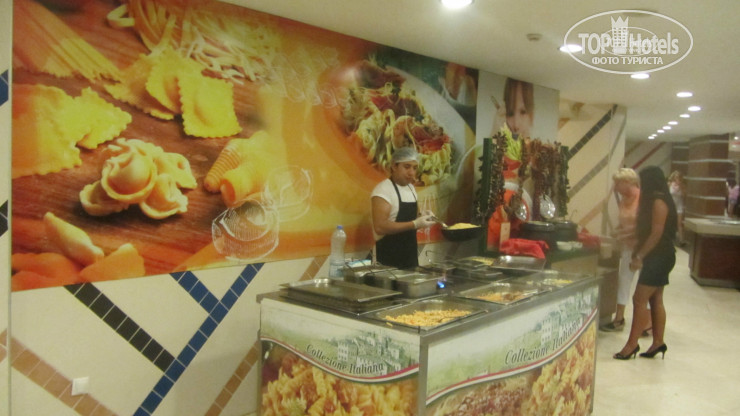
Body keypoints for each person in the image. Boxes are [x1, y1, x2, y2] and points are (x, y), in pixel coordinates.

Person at [614, 166, 677, 360]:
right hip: (662, 255)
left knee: (639, 299)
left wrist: (640, 256)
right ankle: (658, 342)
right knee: (655, 299)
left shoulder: (658, 202)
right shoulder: (662, 199)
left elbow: (656, 233)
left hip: (659, 256)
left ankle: (631, 344)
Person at [371, 147, 435, 268]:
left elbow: (411, 219)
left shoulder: (411, 189)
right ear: (394, 166)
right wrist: (415, 224)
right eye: (407, 167)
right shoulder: (383, 190)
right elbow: (380, 227)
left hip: (410, 259)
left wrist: (423, 217)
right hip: (387, 262)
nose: (411, 173)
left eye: (414, 168)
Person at [601, 168, 644, 332]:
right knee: (624, 280)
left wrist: (626, 233)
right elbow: (624, 222)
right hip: (628, 247)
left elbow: (646, 225)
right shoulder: (624, 200)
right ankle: (619, 318)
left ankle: (646, 323)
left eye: (618, 183)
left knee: (644, 284)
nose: (616, 187)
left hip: (644, 247)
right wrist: (616, 232)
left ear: (628, 182)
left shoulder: (643, 198)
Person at [667, 171, 686, 245]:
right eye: (676, 177)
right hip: (671, 206)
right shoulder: (669, 184)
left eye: (679, 178)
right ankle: (669, 238)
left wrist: (681, 187)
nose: (677, 179)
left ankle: (681, 240)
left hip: (679, 206)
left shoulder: (682, 186)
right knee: (670, 222)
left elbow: (684, 195)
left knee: (679, 223)